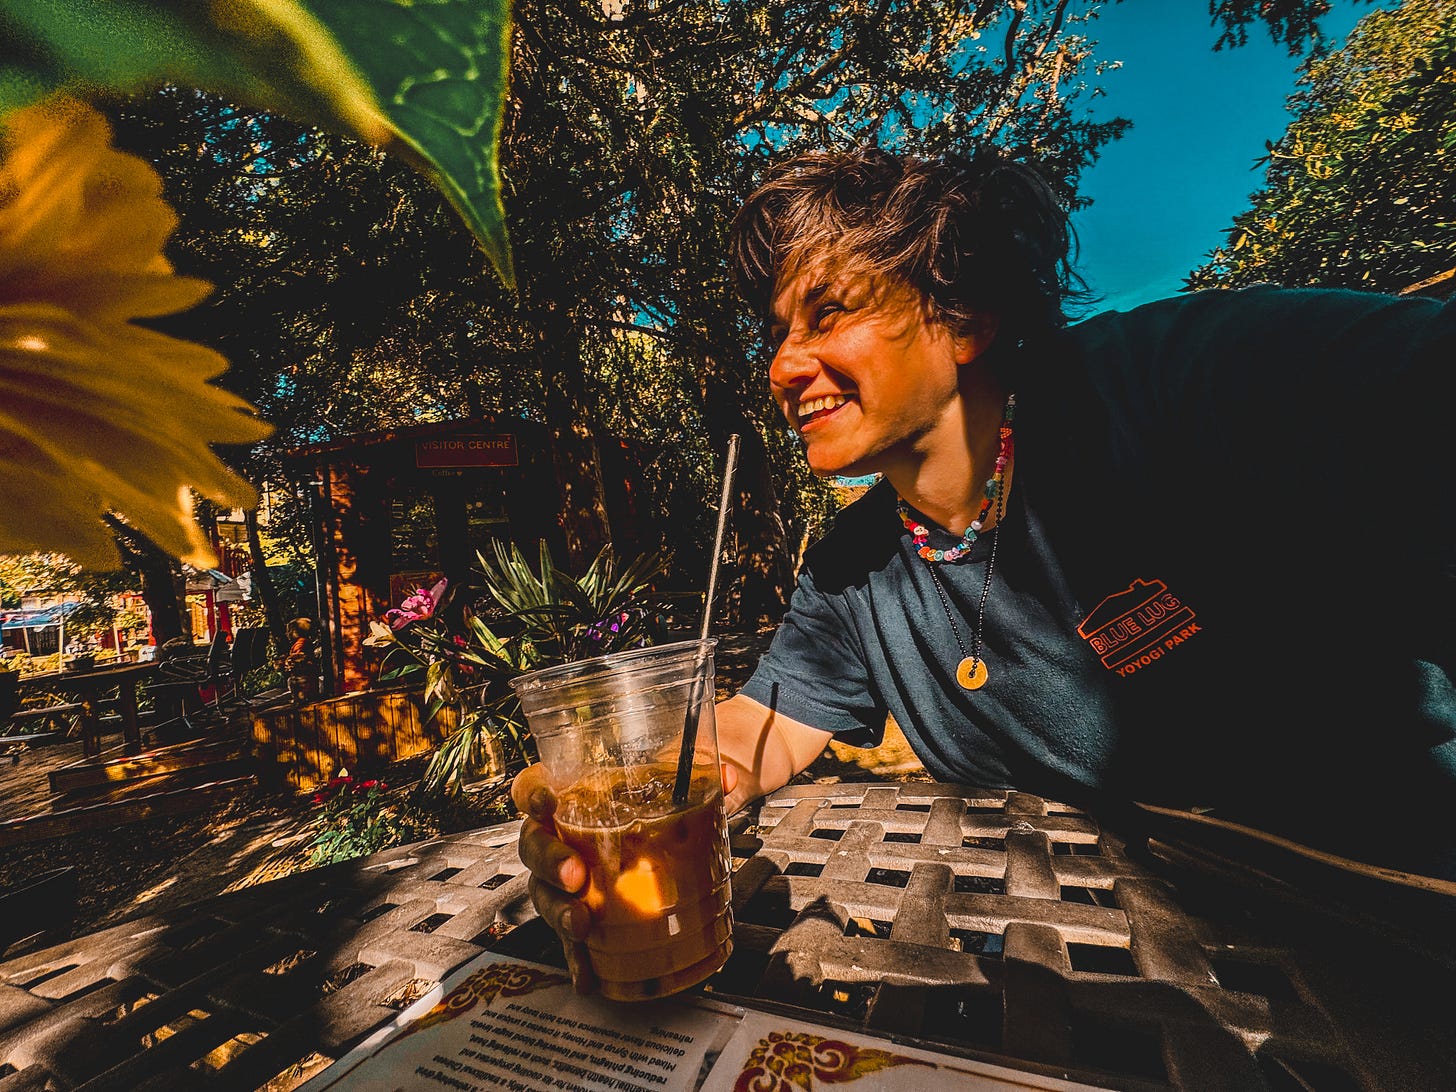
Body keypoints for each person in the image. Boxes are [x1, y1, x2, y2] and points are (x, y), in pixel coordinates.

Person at [514, 145, 1456, 990]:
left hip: (1406, 908)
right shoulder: (850, 573)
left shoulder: (1170, 383)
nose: (783, 366)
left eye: (828, 313)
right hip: (1135, 973)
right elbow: (750, 736)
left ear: (961, 317)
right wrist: (605, 792)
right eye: (777, 332)